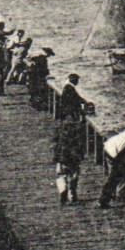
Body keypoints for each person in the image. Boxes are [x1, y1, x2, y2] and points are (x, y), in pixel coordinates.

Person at [53, 75, 87, 205]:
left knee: (61, 174)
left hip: (61, 155)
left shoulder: (60, 130)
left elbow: (55, 142)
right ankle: (72, 194)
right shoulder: (77, 130)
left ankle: (63, 190)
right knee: (74, 174)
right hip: (73, 155)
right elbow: (80, 144)